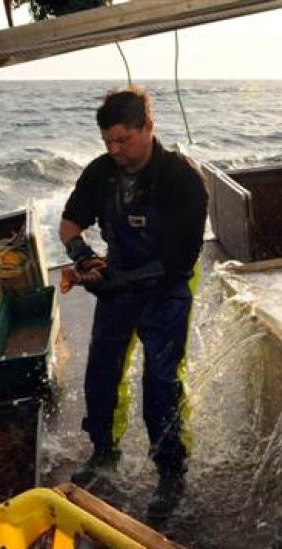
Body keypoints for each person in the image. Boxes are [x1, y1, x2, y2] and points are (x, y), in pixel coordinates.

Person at [59, 86, 208, 513]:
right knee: (102, 370)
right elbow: (69, 226)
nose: (115, 149)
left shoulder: (182, 180)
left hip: (168, 287)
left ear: (148, 127)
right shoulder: (101, 173)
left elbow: (181, 260)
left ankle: (170, 469)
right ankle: (104, 450)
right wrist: (84, 258)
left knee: (161, 381)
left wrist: (119, 280)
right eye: (108, 141)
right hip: (118, 283)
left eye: (124, 139)